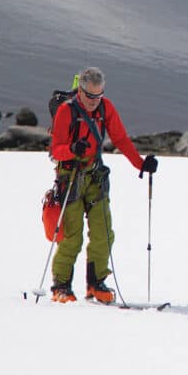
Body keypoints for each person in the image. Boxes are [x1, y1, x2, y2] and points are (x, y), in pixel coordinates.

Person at [48, 67, 158, 304]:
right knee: (72, 236)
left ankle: (95, 283)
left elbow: (120, 139)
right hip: (71, 178)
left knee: (104, 233)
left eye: (98, 96)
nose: (93, 102)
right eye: (89, 96)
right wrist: (71, 150)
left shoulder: (105, 107)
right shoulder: (67, 111)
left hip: (96, 177)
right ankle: (61, 286)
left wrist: (141, 164)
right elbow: (55, 149)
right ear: (80, 91)